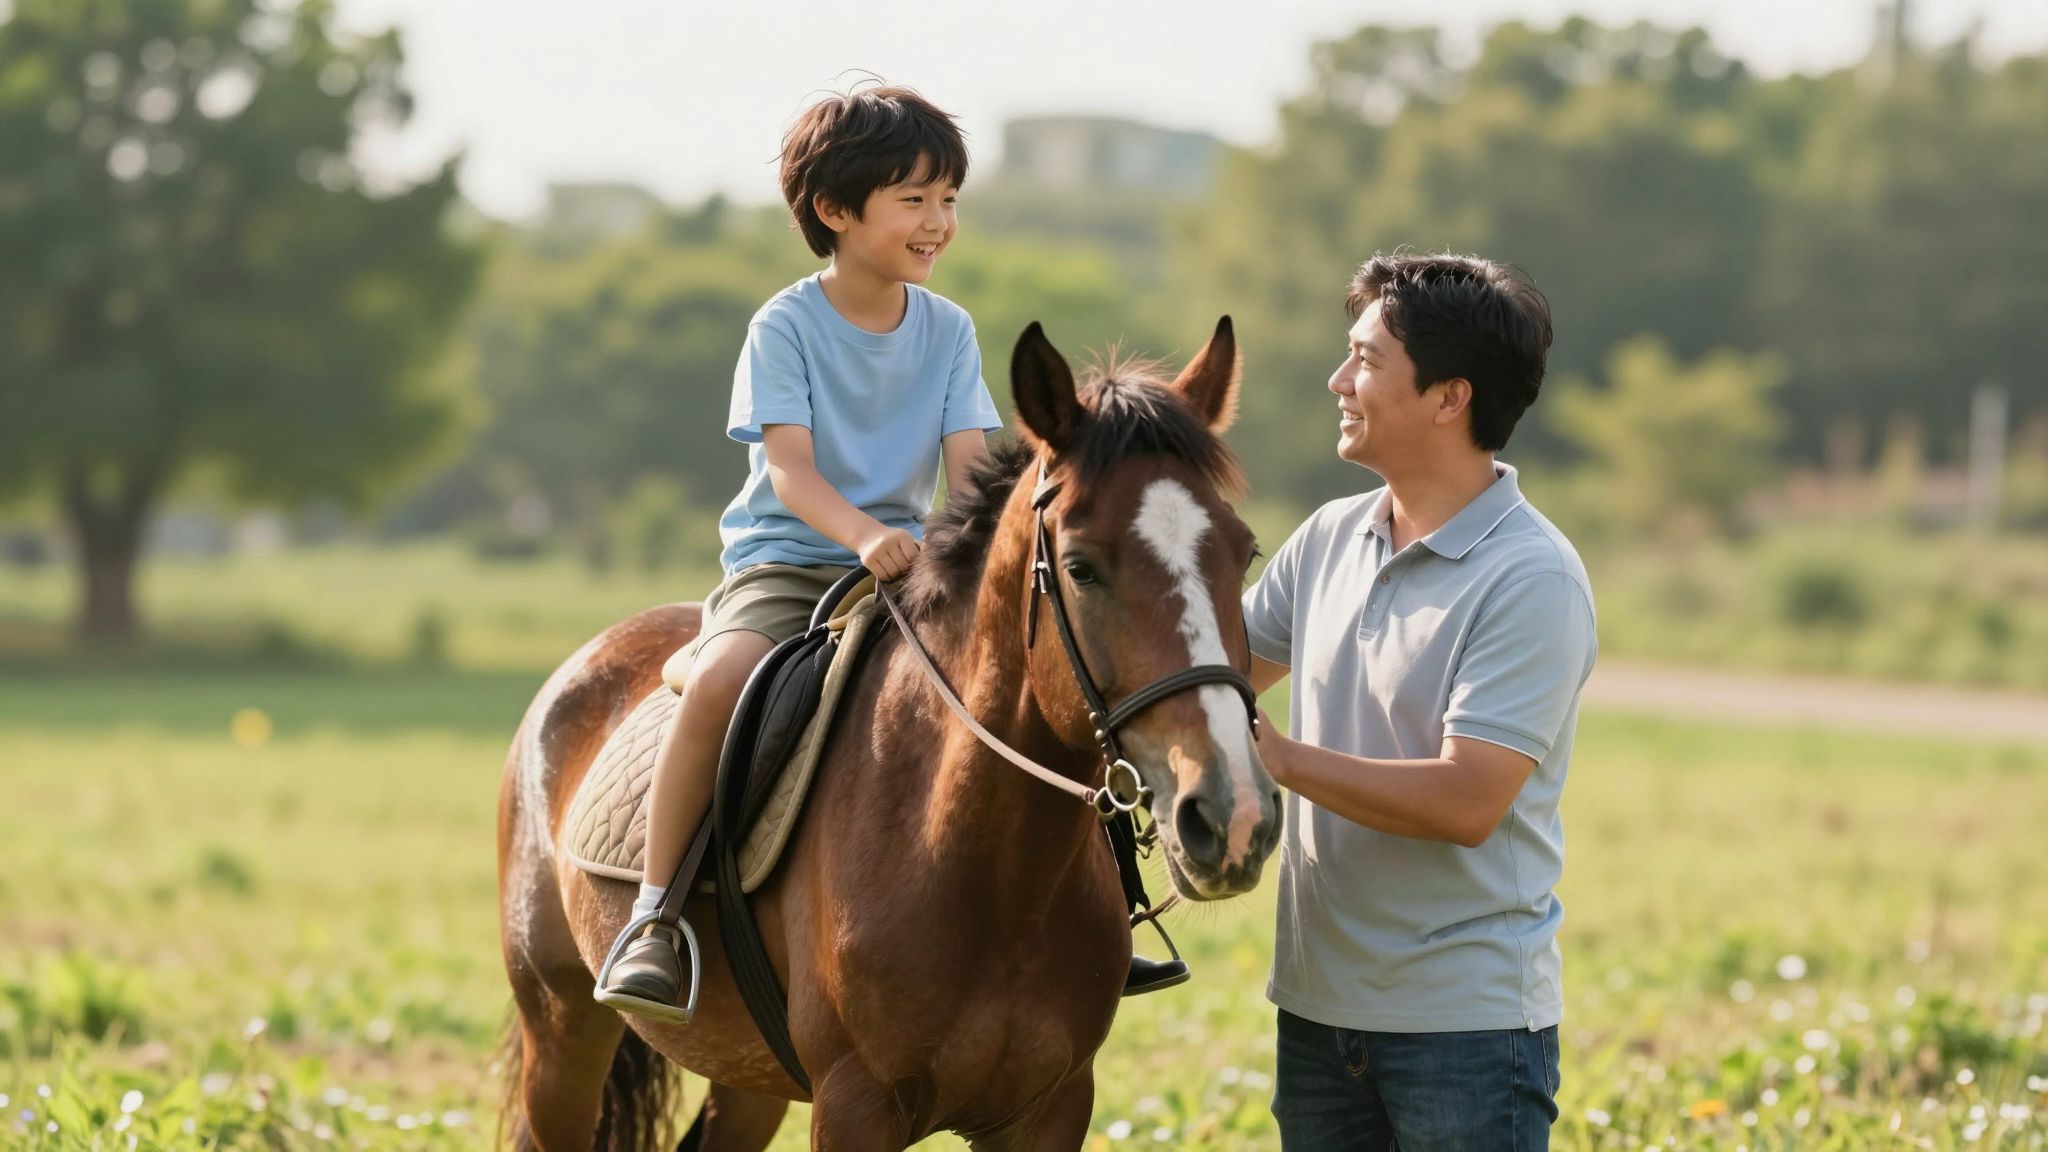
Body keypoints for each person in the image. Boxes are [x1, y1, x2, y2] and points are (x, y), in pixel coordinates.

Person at [595, 85, 1000, 1021]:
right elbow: (790, 471)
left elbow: (973, 473)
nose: (938, 223)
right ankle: (653, 918)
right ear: (834, 209)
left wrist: (975, 547)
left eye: (948, 200)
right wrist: (867, 536)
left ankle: (1094, 909)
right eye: (913, 199)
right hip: (791, 561)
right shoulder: (784, 325)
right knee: (723, 680)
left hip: (911, 568)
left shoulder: (950, 330)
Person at [1240, 252, 1596, 1149]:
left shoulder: (1532, 577)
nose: (1338, 380)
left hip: (1466, 1032)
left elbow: (1466, 801)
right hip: (1316, 1013)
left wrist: (1280, 759)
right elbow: (1207, 678)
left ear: (1449, 398)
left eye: (1365, 360)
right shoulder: (1327, 537)